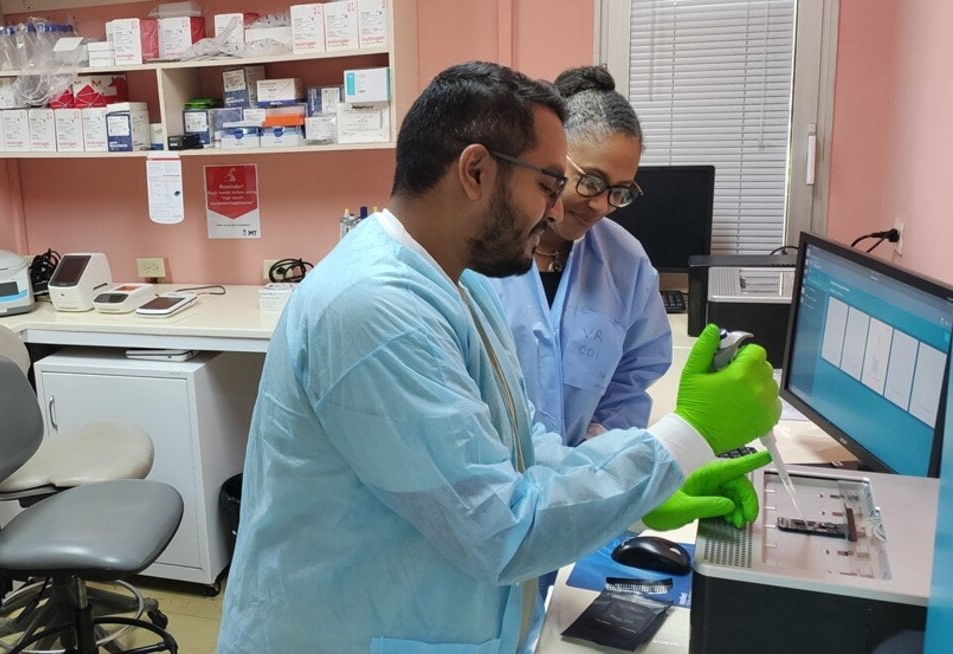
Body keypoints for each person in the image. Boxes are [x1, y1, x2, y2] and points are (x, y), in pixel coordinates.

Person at [216, 61, 780, 654]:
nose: (557, 208)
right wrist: (686, 436)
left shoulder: (464, 282)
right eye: (547, 183)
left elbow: (524, 449)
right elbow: (498, 530)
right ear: (477, 171)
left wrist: (651, 475)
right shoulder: (374, 310)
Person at [486, 65, 669, 447]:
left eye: (621, 191)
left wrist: (600, 442)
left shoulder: (625, 263)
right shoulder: (479, 256)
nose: (602, 205)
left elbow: (634, 372)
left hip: (581, 483)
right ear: (553, 159)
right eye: (592, 182)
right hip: (493, 480)